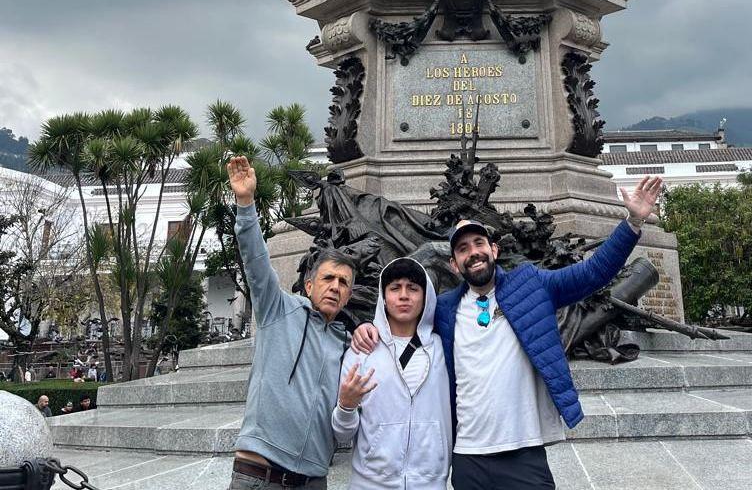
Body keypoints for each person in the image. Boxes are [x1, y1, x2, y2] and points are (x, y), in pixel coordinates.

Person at [353, 176, 661, 490]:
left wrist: (633, 221)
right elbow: (399, 317)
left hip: (523, 452)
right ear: (454, 264)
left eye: (478, 244)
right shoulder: (444, 308)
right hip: (468, 456)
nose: (472, 252)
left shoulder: (532, 284)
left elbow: (593, 273)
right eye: (462, 249)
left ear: (494, 249)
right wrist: (367, 326)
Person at [227, 155, 354, 490]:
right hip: (259, 474)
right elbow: (256, 261)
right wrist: (245, 203)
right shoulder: (278, 309)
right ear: (310, 285)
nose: (335, 287)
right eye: (328, 278)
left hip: (312, 479)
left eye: (343, 283)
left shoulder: (347, 341)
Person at [333, 257, 452, 489]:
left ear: (425, 297)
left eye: (413, 288)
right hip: (370, 483)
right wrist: (346, 407)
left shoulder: (443, 348)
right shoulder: (361, 351)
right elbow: (342, 435)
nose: (404, 295)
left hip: (430, 482)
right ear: (384, 298)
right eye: (395, 288)